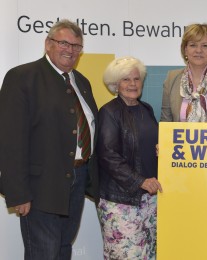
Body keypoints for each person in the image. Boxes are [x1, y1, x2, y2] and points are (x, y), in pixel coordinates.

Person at [0, 19, 98, 259]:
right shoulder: (22, 77)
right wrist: (18, 193)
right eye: (64, 43)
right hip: (40, 185)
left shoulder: (81, 82)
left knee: (64, 248)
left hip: (77, 179)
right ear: (48, 44)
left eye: (77, 46)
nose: (71, 50)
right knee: (44, 251)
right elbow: (10, 139)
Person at [97, 56, 162, 260]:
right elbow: (108, 156)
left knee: (151, 255)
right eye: (126, 79)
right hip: (121, 202)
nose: (133, 84)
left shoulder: (147, 109)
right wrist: (140, 181)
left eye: (136, 78)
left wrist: (163, 150)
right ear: (115, 84)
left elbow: (149, 145)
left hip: (150, 200)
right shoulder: (109, 112)